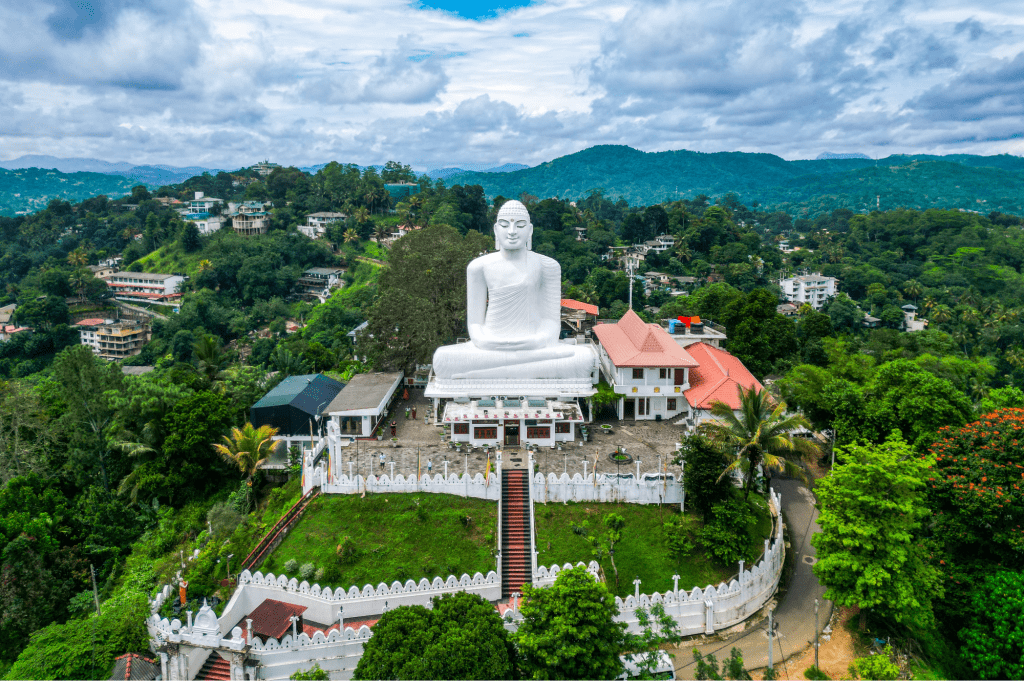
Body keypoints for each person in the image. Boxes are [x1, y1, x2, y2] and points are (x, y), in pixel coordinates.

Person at [431, 200, 596, 381]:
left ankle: (490, 373)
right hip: (490, 348)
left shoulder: (547, 265)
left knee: (583, 358)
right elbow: (475, 325)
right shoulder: (478, 267)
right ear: (495, 230)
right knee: (442, 358)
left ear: (530, 230)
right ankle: (521, 371)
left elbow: (551, 322)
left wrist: (535, 341)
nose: (511, 231)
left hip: (533, 347)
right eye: (504, 225)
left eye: (520, 225)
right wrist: (486, 342)